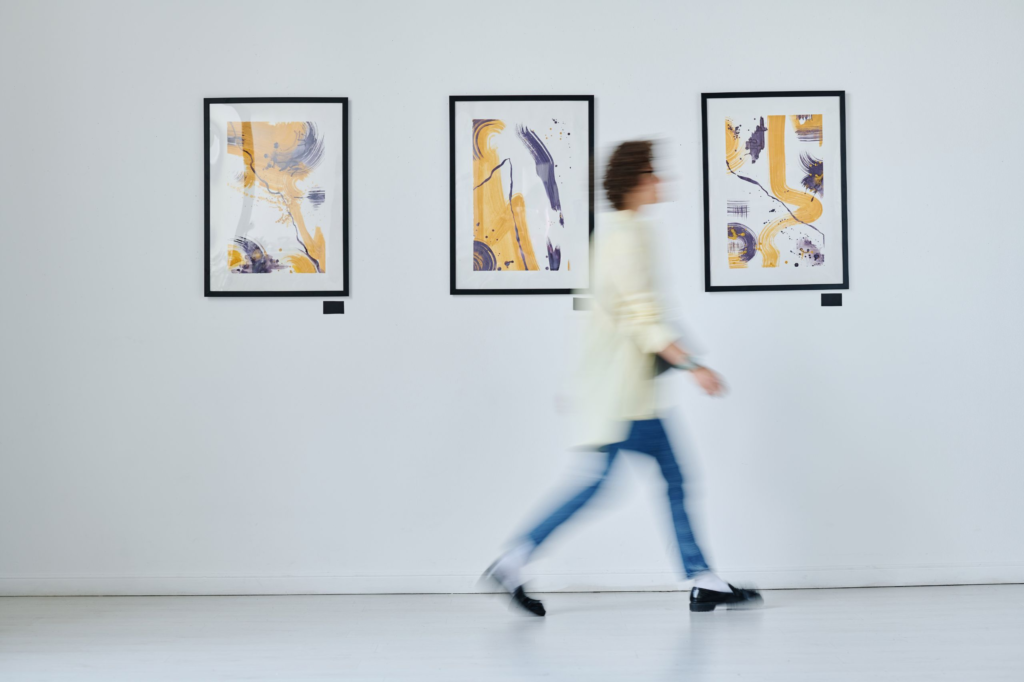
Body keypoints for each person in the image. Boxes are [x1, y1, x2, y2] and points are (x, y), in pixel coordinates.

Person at [484, 140, 762, 616]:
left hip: (625, 392)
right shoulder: (625, 237)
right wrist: (694, 367)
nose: (662, 182)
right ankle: (514, 559)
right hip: (622, 397)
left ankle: (702, 578)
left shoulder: (622, 231)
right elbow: (640, 318)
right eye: (654, 174)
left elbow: (613, 317)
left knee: (662, 478)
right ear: (636, 182)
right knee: (617, 483)